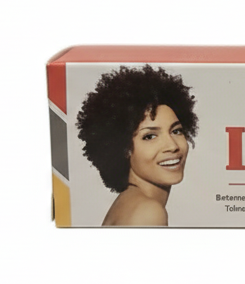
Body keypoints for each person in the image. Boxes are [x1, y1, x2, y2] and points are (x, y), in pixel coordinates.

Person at [76, 65, 199, 226]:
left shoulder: (128, 203)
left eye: (176, 131)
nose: (172, 146)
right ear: (124, 148)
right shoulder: (148, 211)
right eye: (150, 136)